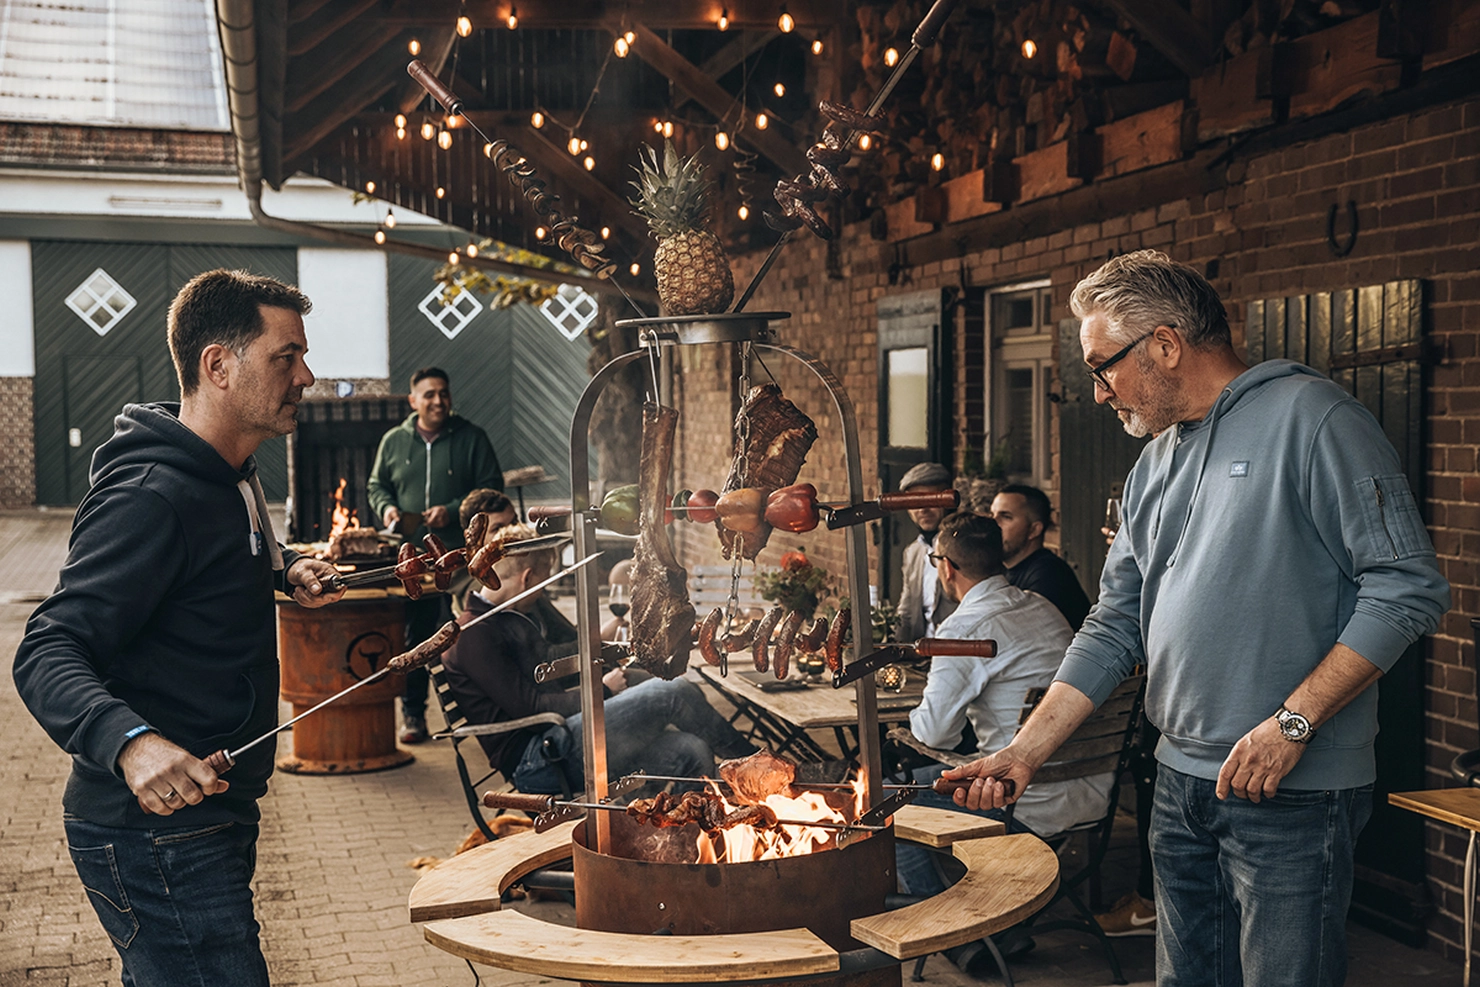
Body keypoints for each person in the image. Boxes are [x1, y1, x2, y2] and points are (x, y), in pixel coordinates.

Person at [942, 250, 1450, 986]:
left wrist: (1293, 725)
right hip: (1179, 784)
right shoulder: (1154, 464)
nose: (1097, 392)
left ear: (1166, 345)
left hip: (1293, 789)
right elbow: (1115, 624)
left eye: (1102, 365)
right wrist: (1025, 752)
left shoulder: (1316, 419)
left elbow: (1406, 587)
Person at [12, 269, 345, 986]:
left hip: (213, 811)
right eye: (285, 357)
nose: (307, 376)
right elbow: (46, 647)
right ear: (217, 365)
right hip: (153, 830)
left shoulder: (233, 474)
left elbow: (230, 550)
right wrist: (131, 744)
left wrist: (287, 571)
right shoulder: (151, 496)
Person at [896, 512, 1113, 973]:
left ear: (946, 568)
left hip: (1019, 796)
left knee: (887, 803)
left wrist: (907, 717)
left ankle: (957, 932)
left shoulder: (963, 628)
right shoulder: (1041, 606)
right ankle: (997, 919)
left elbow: (935, 735)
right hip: (1094, 789)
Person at [441, 524, 757, 795]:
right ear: (527, 579)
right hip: (539, 757)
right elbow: (531, 707)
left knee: (692, 749)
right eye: (545, 581)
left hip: (559, 736)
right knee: (671, 694)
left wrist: (608, 667)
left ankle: (678, 845)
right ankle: (756, 766)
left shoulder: (509, 616)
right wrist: (602, 690)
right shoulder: (474, 634)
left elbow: (554, 669)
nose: (545, 589)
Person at [368, 367, 503, 743]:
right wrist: (388, 509)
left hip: (463, 560)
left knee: (466, 634)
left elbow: (492, 488)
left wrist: (453, 508)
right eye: (429, 394)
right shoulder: (394, 441)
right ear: (413, 401)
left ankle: (476, 718)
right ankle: (414, 717)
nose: (438, 401)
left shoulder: (472, 438)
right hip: (413, 562)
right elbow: (377, 485)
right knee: (416, 639)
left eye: (443, 393)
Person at [989, 483, 1092, 630]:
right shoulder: (1001, 569)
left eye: (1006, 517)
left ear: (1034, 530)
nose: (993, 524)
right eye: (992, 515)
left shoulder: (1049, 574)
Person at [895, 461, 957, 641]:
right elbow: (905, 613)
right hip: (921, 655)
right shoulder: (912, 552)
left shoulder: (964, 548)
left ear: (947, 500)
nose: (923, 509)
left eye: (930, 500)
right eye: (915, 502)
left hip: (957, 651)